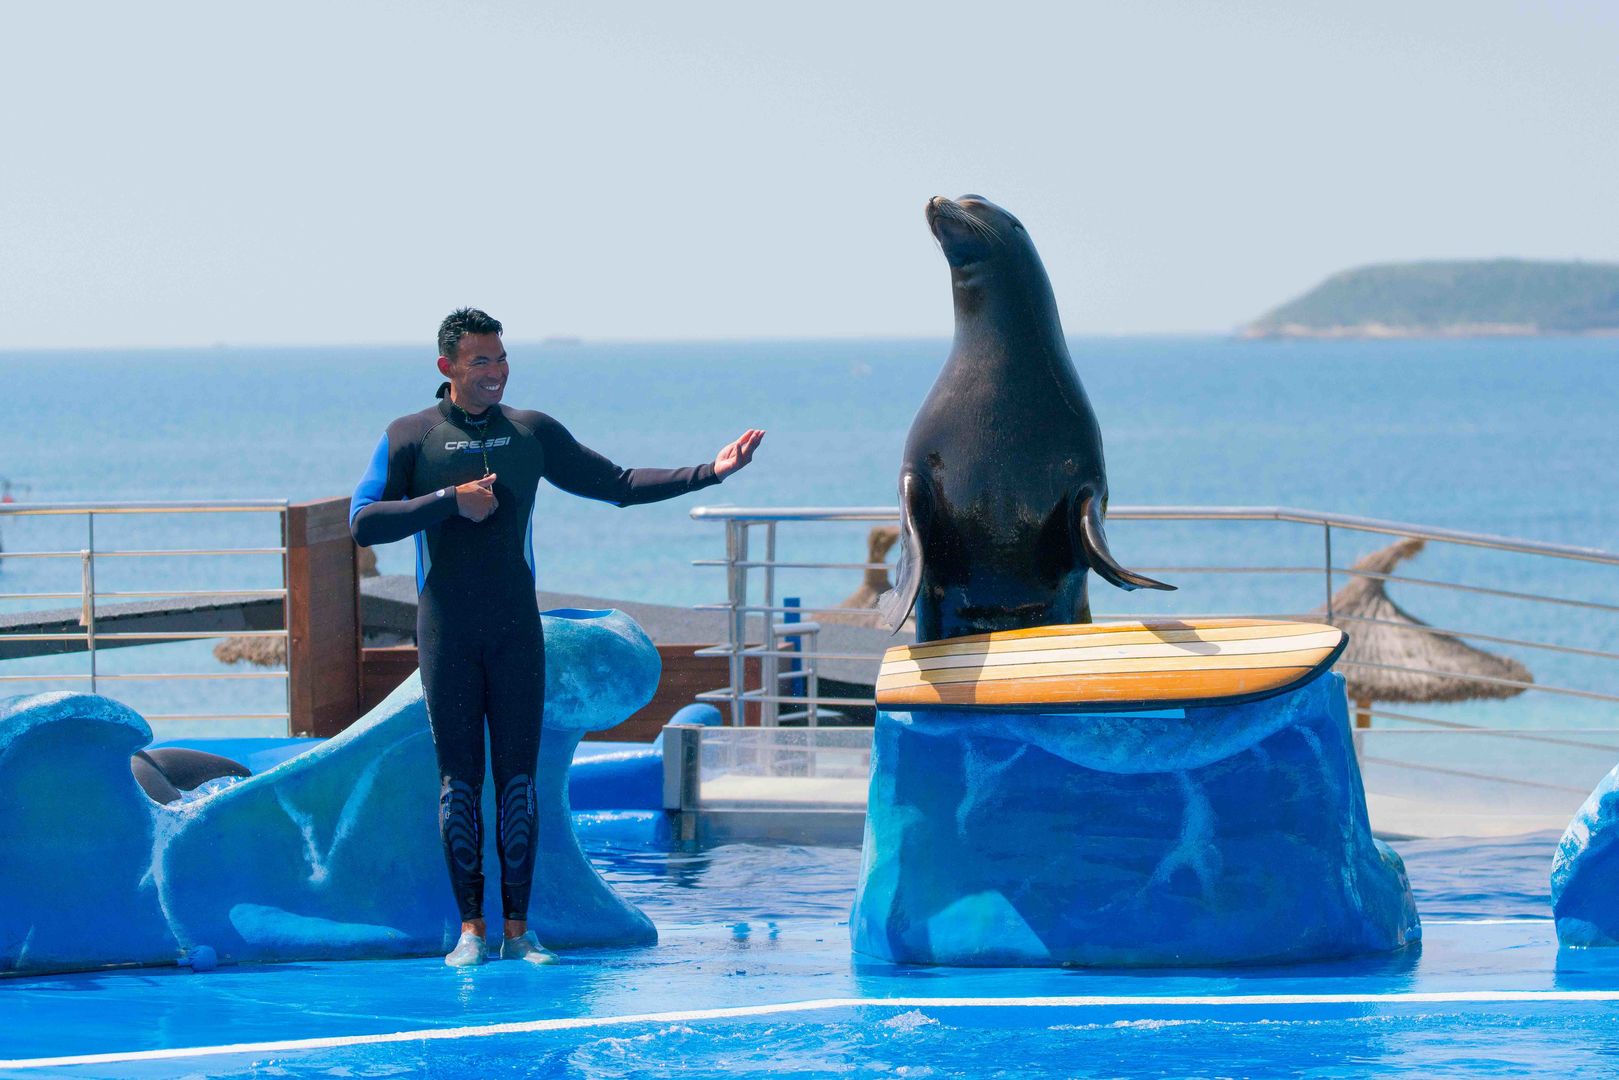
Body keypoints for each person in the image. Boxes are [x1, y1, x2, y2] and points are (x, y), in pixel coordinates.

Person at [350, 308, 764, 966]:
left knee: (519, 783)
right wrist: (450, 501)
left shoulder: (530, 433)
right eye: (481, 360)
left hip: (515, 630)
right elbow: (364, 521)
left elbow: (618, 485)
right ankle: (471, 932)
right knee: (460, 783)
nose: (496, 371)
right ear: (447, 367)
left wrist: (709, 471)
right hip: (448, 632)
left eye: (501, 358)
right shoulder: (411, 437)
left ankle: (519, 931)